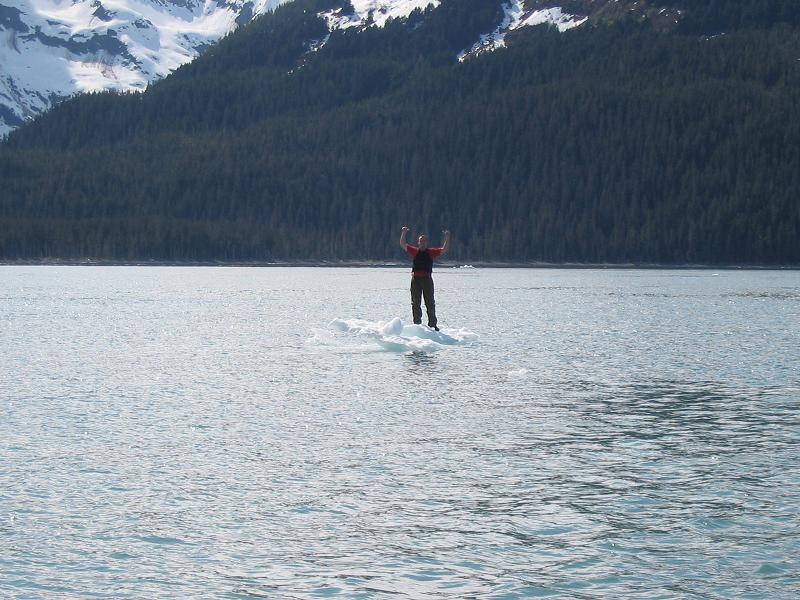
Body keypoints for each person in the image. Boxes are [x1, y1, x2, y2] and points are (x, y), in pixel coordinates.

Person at [399, 226, 450, 330]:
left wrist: (447, 238)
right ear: (418, 242)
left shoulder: (431, 252)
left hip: (427, 280)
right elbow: (402, 244)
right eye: (421, 241)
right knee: (415, 303)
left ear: (426, 243)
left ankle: (433, 324)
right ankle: (417, 324)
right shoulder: (414, 251)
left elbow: (444, 249)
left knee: (430, 303)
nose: (422, 243)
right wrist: (403, 233)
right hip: (416, 280)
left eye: (424, 241)